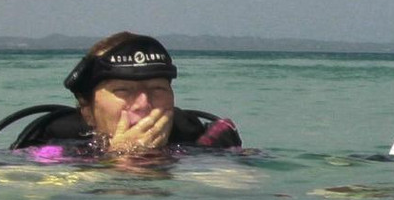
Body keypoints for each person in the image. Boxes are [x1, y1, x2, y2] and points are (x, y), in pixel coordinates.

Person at [24, 32, 241, 153]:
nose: (143, 104)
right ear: (88, 110)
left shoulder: (201, 143)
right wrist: (119, 158)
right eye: (122, 90)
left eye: (157, 88)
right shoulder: (55, 151)